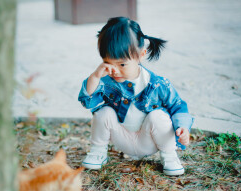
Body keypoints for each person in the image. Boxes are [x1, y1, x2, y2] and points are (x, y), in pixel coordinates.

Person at [78, 17, 194, 176]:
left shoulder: (157, 84)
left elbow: (178, 106)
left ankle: (169, 156)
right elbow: (87, 100)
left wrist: (183, 128)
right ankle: (98, 152)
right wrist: (95, 76)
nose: (115, 71)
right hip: (122, 138)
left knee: (158, 116)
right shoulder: (107, 82)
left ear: (141, 55)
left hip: (149, 140)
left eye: (122, 64)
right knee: (103, 112)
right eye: (108, 63)